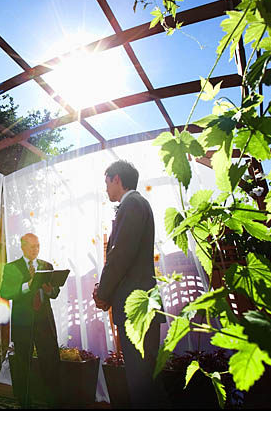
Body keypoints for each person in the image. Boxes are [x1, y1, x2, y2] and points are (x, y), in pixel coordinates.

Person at [93, 160, 168, 409]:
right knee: (144, 376)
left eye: (106, 182)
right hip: (140, 305)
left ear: (117, 179)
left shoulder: (133, 204)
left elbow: (120, 256)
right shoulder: (135, 205)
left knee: (140, 377)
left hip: (137, 308)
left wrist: (102, 293)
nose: (105, 189)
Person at [0, 233, 61, 409]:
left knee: (50, 361)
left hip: (45, 321)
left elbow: (55, 293)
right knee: (22, 363)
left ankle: (53, 402)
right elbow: (5, 293)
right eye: (32, 246)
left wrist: (50, 290)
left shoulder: (46, 266)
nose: (36, 250)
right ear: (23, 247)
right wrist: (28, 285)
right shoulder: (12, 267)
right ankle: (25, 403)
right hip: (23, 321)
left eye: (38, 246)